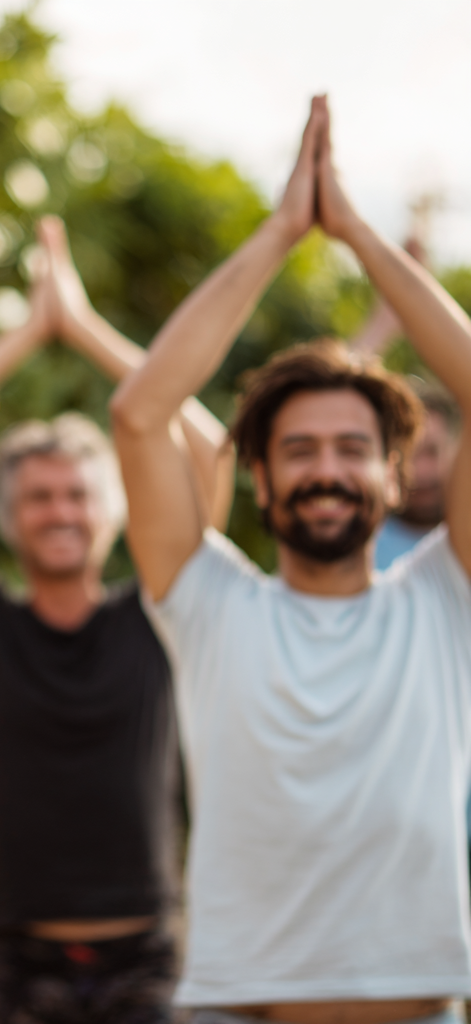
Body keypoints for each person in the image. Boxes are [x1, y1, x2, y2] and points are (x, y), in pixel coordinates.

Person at [109, 94, 471, 1024]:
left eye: (352, 449)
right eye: (299, 450)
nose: (326, 471)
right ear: (260, 483)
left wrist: (354, 233)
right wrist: (280, 231)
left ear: (393, 478)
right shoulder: (209, 599)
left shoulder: (444, 593)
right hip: (235, 1009)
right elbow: (141, 411)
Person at [0, 217, 235, 1024]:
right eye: (40, 496)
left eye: (79, 494)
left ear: (113, 513)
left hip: (145, 952)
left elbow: (210, 455)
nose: (60, 512)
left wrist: (82, 328)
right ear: (9, 515)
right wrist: (28, 331)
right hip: (18, 951)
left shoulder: (155, 609)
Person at [348, 235, 463, 570]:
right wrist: (385, 319)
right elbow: (326, 401)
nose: (420, 473)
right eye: (407, 457)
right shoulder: (359, 536)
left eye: (431, 451)